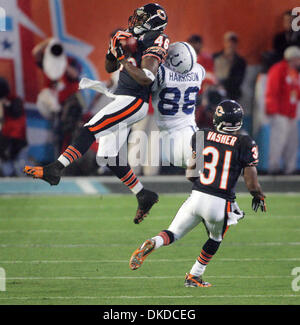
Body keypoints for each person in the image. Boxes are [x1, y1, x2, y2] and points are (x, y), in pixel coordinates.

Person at [24, 3, 169, 224]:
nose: (136, 21)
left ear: (153, 23)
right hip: (121, 97)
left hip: (134, 100)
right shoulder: (133, 37)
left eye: (142, 18)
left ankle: (55, 169)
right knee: (108, 155)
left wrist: (123, 58)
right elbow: (110, 68)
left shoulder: (156, 41)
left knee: (88, 130)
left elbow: (146, 77)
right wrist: (113, 50)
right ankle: (143, 194)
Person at [129, 99, 266, 287]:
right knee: (215, 238)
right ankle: (194, 275)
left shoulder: (202, 135)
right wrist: (258, 195)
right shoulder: (245, 142)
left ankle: (154, 241)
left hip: (197, 196)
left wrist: (202, 188)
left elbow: (190, 173)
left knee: (172, 233)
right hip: (219, 202)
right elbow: (251, 183)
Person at [151, 41, 205, 168]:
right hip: (188, 133)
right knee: (204, 178)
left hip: (167, 136)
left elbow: (148, 83)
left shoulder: (162, 73)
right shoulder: (199, 71)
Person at [265, 46, 300, 174]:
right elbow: (272, 90)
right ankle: (273, 167)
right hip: (279, 113)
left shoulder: (295, 72)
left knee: (292, 142)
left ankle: (289, 168)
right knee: (278, 141)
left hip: (290, 113)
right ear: (293, 58)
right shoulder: (278, 69)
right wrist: (272, 110)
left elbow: (296, 93)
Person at [0, 77, 27, 176]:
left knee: (21, 170)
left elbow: (17, 122)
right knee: (7, 170)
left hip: (17, 142)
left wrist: (6, 104)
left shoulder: (15, 101)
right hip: (5, 142)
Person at [213, 32, 246, 101]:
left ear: (236, 44)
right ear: (224, 43)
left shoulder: (240, 62)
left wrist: (224, 86)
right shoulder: (215, 57)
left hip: (232, 94)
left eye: (233, 43)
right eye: (228, 42)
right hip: (215, 92)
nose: (230, 45)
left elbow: (238, 80)